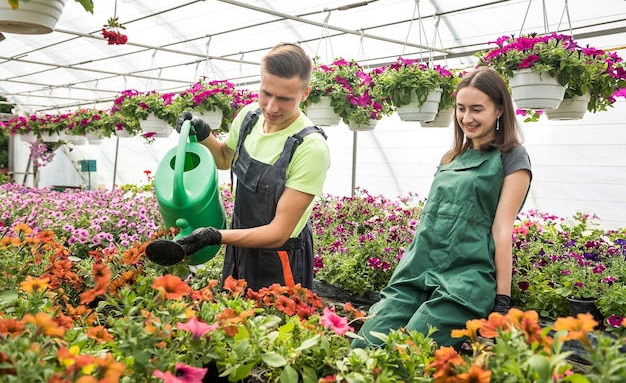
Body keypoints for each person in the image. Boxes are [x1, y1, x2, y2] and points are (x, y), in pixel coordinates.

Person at [352, 66, 532, 349]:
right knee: (363, 346)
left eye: (476, 109)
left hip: (463, 281)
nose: (467, 118)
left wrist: (503, 301)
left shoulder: (512, 157)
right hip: (416, 273)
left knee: (408, 354)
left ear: (499, 110)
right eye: (461, 109)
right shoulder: (451, 158)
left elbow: (502, 230)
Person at [149, 42, 331, 292]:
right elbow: (225, 159)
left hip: (280, 260)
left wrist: (216, 235)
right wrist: (204, 135)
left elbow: (279, 232)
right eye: (266, 93)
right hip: (240, 246)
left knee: (276, 326)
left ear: (305, 93)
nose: (271, 107)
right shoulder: (249, 118)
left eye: (285, 99)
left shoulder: (310, 148)